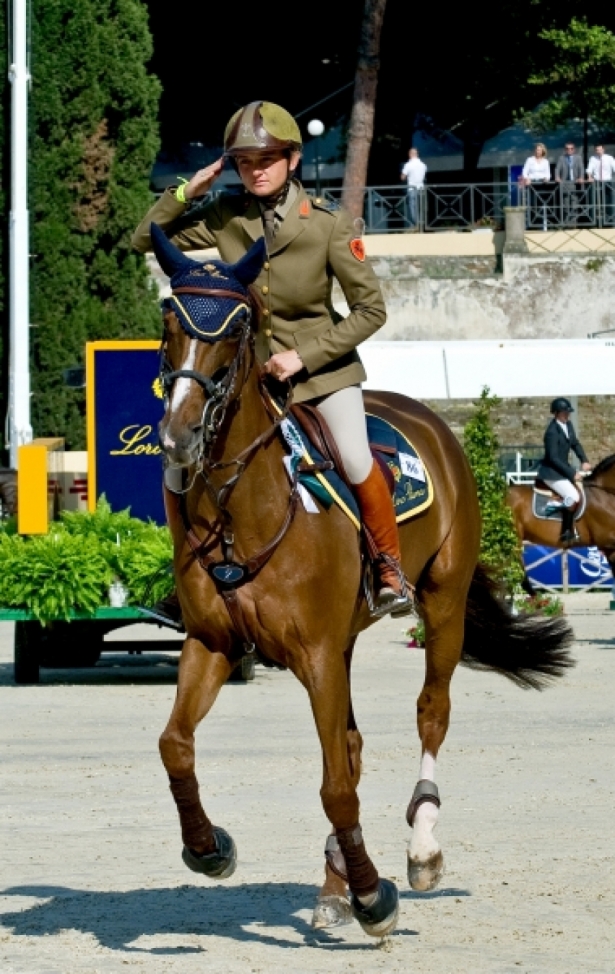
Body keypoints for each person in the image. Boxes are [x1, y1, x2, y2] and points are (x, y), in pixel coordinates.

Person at [132, 101, 412, 622]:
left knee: (353, 456)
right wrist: (184, 193)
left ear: (292, 159)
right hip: (247, 381)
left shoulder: (328, 225)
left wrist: (302, 356)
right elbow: (143, 238)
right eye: (244, 162)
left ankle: (388, 567)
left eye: (267, 159)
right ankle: (185, 569)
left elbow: (371, 310)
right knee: (178, 459)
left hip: (321, 377)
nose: (255, 170)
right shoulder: (223, 215)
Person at [536, 398, 591, 543]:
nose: (567, 415)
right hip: (551, 473)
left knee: (582, 492)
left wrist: (584, 460)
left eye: (568, 412)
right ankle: (566, 532)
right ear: (557, 413)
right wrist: (572, 473)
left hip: (561, 471)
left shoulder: (568, 425)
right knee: (573, 496)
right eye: (564, 412)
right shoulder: (551, 433)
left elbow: (575, 443)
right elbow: (553, 458)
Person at [521, 143, 551, 228]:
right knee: (532, 204)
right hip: (531, 184)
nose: (538, 152)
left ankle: (543, 225)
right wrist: (527, 178)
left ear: (543, 151)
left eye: (540, 150)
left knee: (541, 204)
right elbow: (524, 172)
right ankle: (530, 225)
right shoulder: (530, 160)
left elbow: (548, 174)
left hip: (542, 184)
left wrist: (546, 178)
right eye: (537, 150)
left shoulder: (546, 161)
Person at [555, 142, 585, 227]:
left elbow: (581, 168)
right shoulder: (561, 158)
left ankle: (573, 224)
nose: (569, 150)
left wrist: (581, 177)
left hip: (575, 183)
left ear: (574, 149)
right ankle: (566, 223)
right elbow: (557, 168)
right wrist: (557, 177)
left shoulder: (578, 158)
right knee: (566, 204)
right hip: (565, 183)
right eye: (567, 149)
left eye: (571, 148)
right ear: (565, 150)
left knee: (574, 204)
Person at [586, 143, 615, 226]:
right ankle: (595, 222)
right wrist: (589, 177)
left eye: (600, 149)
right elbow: (589, 169)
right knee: (596, 202)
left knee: (608, 202)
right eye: (596, 150)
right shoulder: (593, 158)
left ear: (603, 149)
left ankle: (610, 221)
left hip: (608, 182)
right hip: (597, 183)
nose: (598, 151)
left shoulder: (609, 158)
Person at [400, 147, 427, 230]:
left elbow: (402, 177)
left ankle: (415, 224)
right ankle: (422, 224)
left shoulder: (408, 165)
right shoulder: (423, 165)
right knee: (421, 207)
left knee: (412, 207)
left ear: (410, 154)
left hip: (412, 188)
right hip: (421, 188)